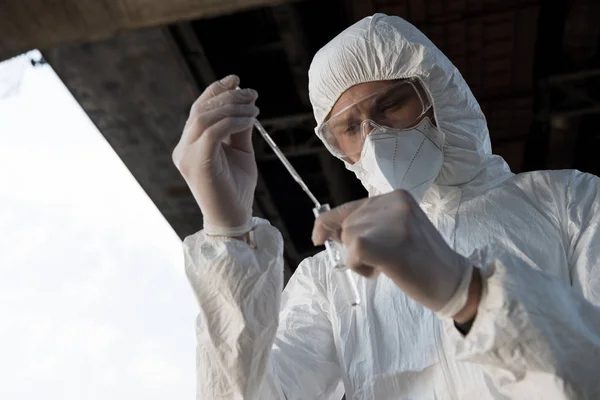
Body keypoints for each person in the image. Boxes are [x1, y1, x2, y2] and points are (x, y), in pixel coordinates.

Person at [172, 14, 600, 399]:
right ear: (338, 149)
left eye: (392, 104)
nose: (374, 137)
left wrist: (469, 294)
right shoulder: (331, 279)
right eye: (349, 128)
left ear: (439, 94)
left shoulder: (569, 203)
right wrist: (227, 230)